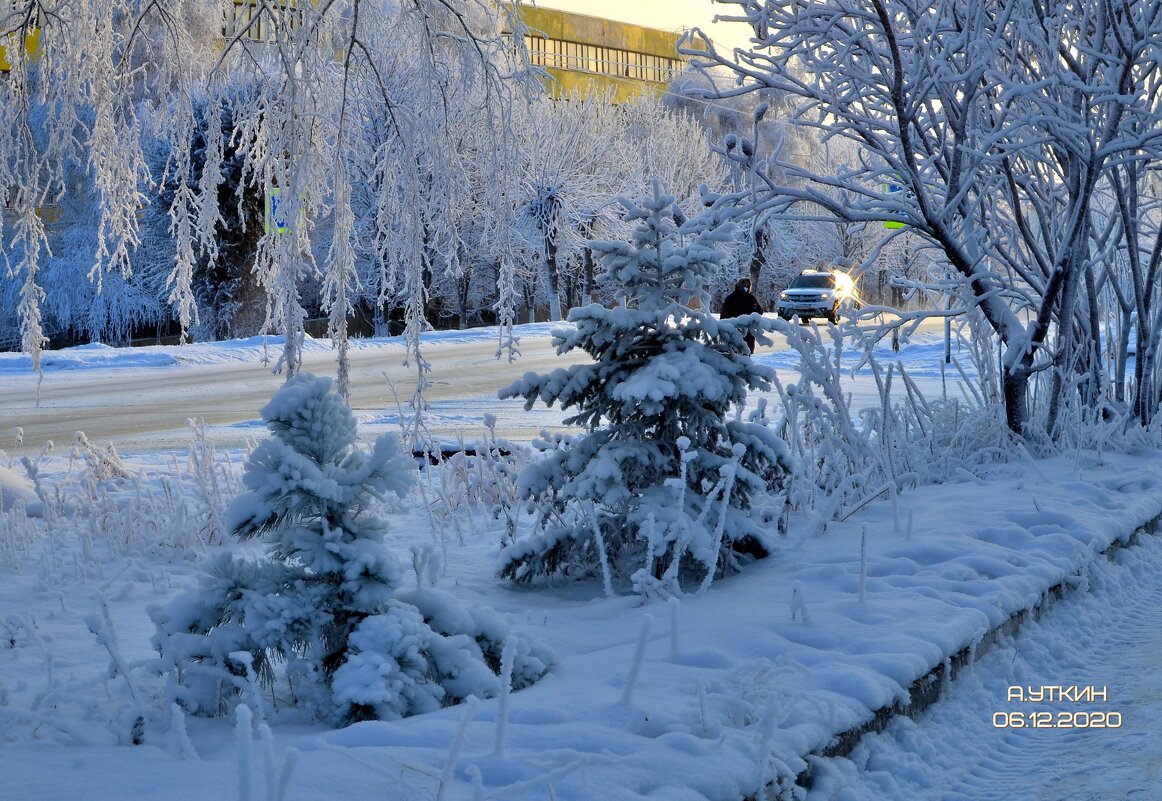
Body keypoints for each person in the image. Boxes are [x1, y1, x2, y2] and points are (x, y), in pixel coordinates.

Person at [720, 277, 764, 353]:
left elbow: (759, 310)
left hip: (748, 330)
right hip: (734, 329)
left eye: (748, 286)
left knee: (747, 351)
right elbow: (724, 314)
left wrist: (754, 313)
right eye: (744, 285)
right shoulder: (731, 298)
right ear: (740, 285)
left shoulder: (750, 297)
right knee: (734, 351)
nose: (746, 287)